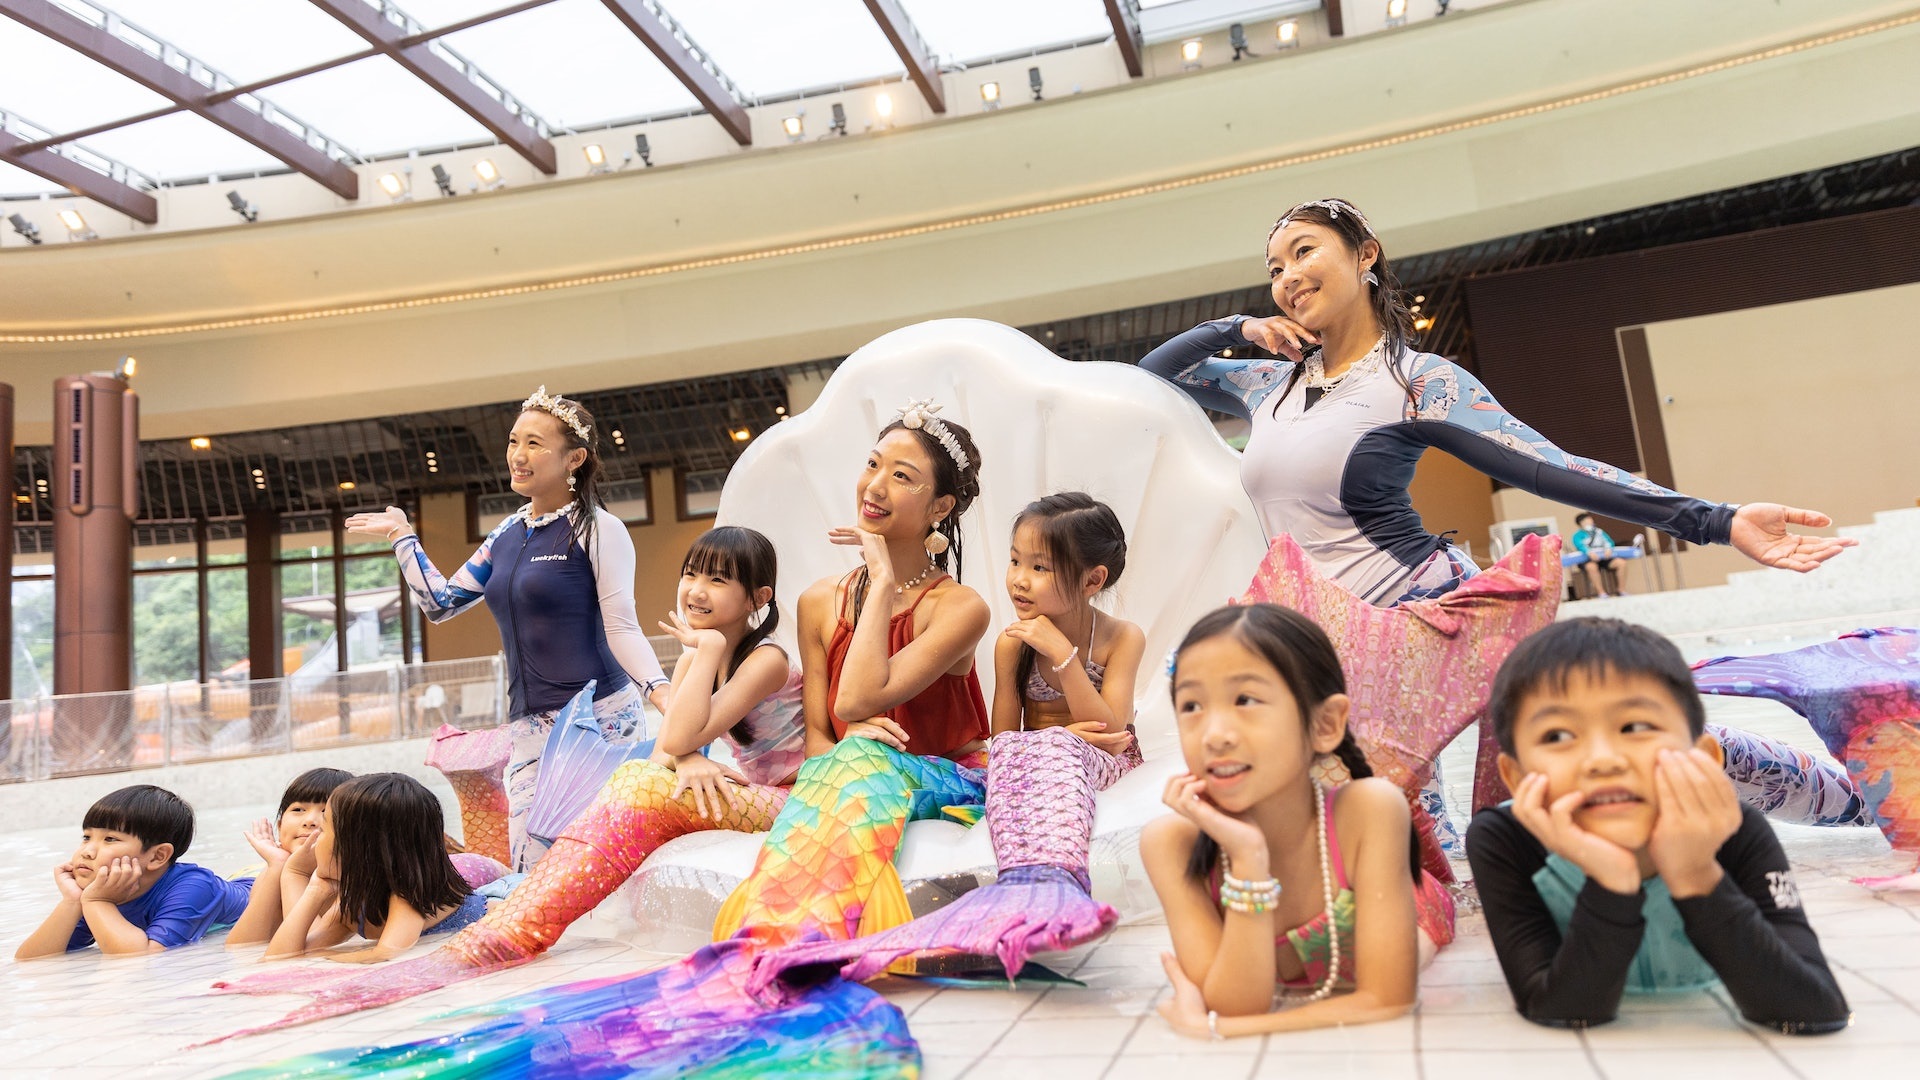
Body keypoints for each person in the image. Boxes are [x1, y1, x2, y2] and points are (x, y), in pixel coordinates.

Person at [1139, 195, 1857, 834]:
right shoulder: (1268, 383)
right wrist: (1234, 326)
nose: (1287, 278)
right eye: (1273, 268)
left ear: (1364, 256)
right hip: (1333, 641)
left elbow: (1551, 467)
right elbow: (1145, 383)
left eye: (1303, 252)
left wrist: (1716, 519)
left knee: (1612, 734)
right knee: (1388, 812)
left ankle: (1852, 798)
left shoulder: (1417, 383)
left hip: (1436, 616)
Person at [1467, 619, 1850, 1033]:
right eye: (1558, 734)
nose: (1603, 759)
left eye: (1634, 727)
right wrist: (1612, 882)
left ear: (1703, 755)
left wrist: (1695, 873)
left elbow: (1816, 1009)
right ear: (1516, 775)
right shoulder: (1506, 840)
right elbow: (1559, 1007)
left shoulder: (1732, 832)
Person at [346, 386, 669, 872]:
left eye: (535, 443)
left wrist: (664, 693)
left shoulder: (597, 529)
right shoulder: (506, 535)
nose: (518, 455)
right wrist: (402, 537)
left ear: (574, 457)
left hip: (601, 717)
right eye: (514, 441)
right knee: (532, 868)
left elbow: (621, 625)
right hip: (529, 726)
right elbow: (441, 603)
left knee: (609, 860)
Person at [1142, 604, 1455, 1038]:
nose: (1214, 734)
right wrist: (1249, 857)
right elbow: (1234, 1002)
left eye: (1245, 700)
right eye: (1191, 705)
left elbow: (1389, 998)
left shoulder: (1369, 811)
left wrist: (1218, 1030)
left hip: (1408, 900)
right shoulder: (1169, 843)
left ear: (1325, 724)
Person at [248, 773, 506, 963]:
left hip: (504, 903)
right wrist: (312, 886)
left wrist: (328, 960)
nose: (315, 837)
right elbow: (283, 955)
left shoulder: (406, 898)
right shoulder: (350, 905)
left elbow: (387, 954)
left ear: (358, 848)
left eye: (324, 829)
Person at [992, 491, 1146, 767]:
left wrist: (1063, 654)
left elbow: (1112, 738)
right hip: (1039, 764)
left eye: (1039, 567)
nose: (1019, 580)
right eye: (1015, 561)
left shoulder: (1122, 639)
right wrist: (1061, 739)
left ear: (1092, 580)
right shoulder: (1013, 644)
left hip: (1105, 765)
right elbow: (1002, 745)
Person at [15, 784, 250, 958]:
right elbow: (31, 959)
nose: (86, 851)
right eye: (87, 837)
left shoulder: (196, 887)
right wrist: (72, 902)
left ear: (158, 856)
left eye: (109, 839)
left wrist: (98, 902)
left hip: (261, 887)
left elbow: (143, 960)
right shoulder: (102, 890)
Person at [1571, 512, 1622, 598]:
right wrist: (1589, 552)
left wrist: (1609, 549)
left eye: (1590, 520)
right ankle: (1601, 593)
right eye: (1586, 521)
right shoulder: (1577, 536)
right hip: (1587, 559)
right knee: (1592, 567)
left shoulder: (1599, 532)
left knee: (1621, 563)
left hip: (1604, 558)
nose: (1589, 522)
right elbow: (1580, 546)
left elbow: (1608, 541)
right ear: (1580, 524)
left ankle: (1621, 590)